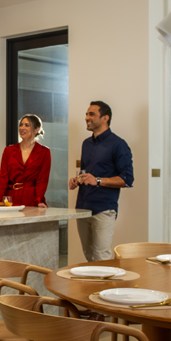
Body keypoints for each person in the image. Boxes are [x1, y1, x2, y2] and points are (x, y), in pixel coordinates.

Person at [68, 101, 134, 262]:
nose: (86, 118)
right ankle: (93, 288)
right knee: (89, 255)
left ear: (105, 118)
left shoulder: (119, 144)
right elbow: (87, 174)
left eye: (91, 114)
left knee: (101, 257)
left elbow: (127, 179)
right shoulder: (86, 144)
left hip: (104, 208)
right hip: (83, 207)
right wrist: (77, 180)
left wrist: (97, 180)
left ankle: (107, 288)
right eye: (86, 114)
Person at [0, 114, 51, 208]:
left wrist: (39, 200)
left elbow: (42, 180)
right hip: (10, 198)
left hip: (31, 198)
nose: (22, 128)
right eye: (21, 125)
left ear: (36, 129)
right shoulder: (9, 151)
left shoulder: (44, 152)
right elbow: (3, 178)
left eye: (27, 125)